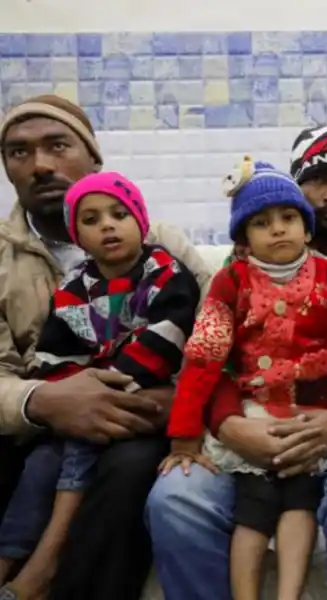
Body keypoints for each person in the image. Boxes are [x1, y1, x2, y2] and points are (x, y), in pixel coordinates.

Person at [144, 124, 327, 600]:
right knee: (174, 499)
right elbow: (213, 357)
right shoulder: (237, 272)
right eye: (317, 179)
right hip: (250, 420)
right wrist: (228, 423)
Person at [0, 95, 211, 600]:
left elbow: (217, 329)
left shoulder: (163, 247)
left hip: (141, 415)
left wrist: (174, 399)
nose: (41, 164)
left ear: (93, 157)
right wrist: (42, 401)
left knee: (131, 465)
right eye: (19, 152)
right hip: (36, 421)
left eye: (57, 145)